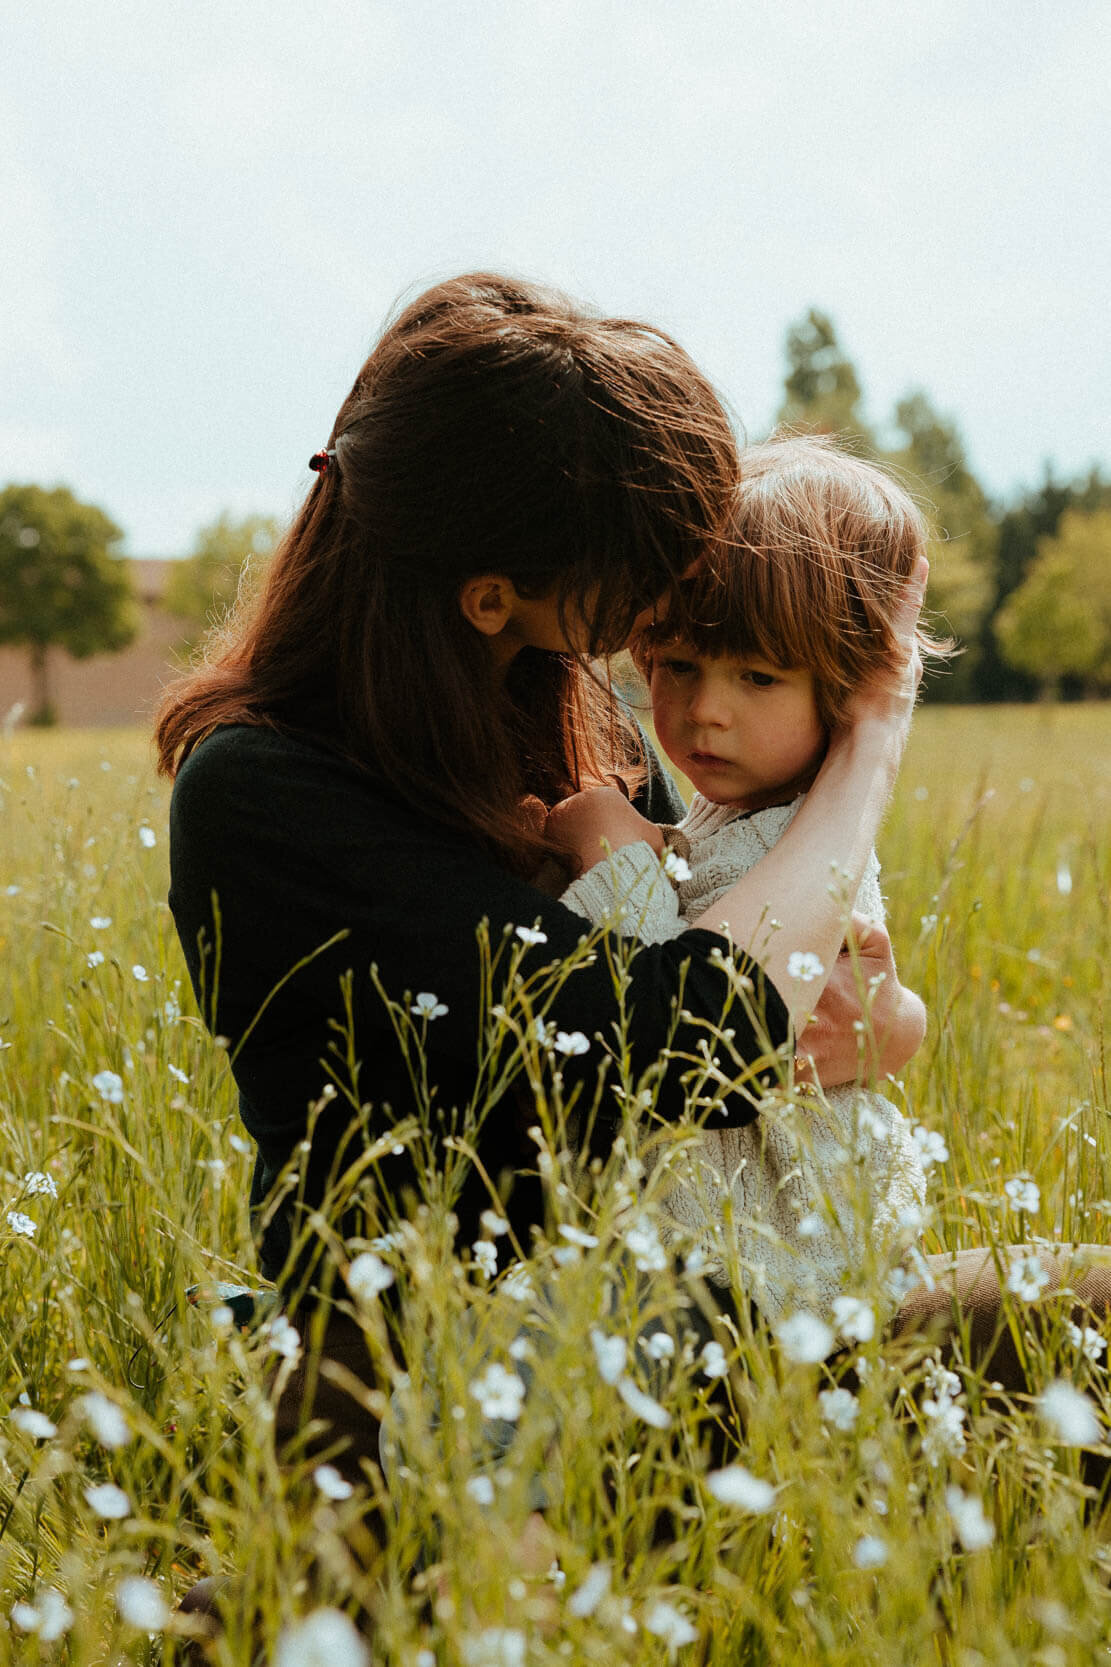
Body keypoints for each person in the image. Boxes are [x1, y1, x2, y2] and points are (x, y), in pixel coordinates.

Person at [155, 273, 928, 1502]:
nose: (668, 587)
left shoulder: (578, 724)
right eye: (643, 562)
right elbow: (700, 1033)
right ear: (490, 593)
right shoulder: (265, 795)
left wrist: (877, 1023)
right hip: (434, 1375)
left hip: (708, 1296)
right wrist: (872, 739)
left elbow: (769, 990)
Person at [553, 436, 949, 1322]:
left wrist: (611, 848)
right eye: (677, 664)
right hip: (753, 1243)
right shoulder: (740, 817)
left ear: (847, 686)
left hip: (772, 1259)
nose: (705, 710)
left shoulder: (788, 836)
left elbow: (671, 1008)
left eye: (757, 676)